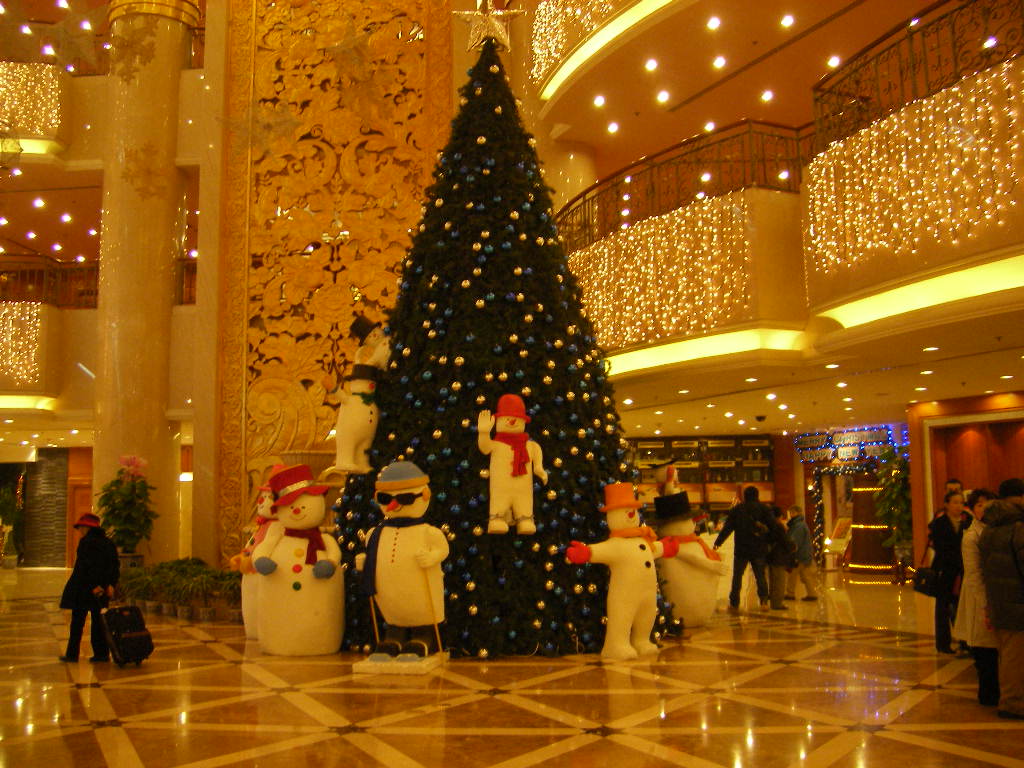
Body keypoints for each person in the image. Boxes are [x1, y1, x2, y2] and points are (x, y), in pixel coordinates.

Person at [979, 478, 1024, 720]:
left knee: (1007, 655)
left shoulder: (990, 527)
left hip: (998, 599)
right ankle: (1012, 703)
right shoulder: (1017, 527)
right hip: (1017, 602)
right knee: (1016, 657)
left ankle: (1010, 698)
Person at [953, 488, 999, 706]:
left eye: (988, 503)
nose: (985, 508)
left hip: (994, 595)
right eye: (980, 504)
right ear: (972, 509)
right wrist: (985, 604)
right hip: (978, 597)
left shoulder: (995, 530)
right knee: (983, 647)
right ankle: (988, 694)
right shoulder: (971, 536)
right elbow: (973, 574)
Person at [59, 512, 120, 663]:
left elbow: (84, 567)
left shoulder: (86, 543)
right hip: (103, 589)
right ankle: (101, 654)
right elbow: (114, 566)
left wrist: (93, 585)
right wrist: (110, 584)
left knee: (77, 623)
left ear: (87, 528)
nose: (79, 531)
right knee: (100, 623)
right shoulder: (108, 543)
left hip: (84, 588)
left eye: (81, 527)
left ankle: (72, 654)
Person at [714, 486, 772, 611]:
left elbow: (728, 528)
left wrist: (718, 542)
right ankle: (764, 601)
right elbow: (772, 526)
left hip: (742, 549)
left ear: (745, 496)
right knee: (760, 576)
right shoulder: (764, 509)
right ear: (757, 495)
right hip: (759, 548)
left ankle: (734, 603)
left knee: (737, 576)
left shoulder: (737, 510)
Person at [929, 489, 965, 654]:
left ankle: (965, 642)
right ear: (947, 504)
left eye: (961, 503)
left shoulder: (967, 522)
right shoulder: (939, 523)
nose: (959, 506)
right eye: (955, 502)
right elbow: (940, 547)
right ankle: (943, 643)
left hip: (962, 570)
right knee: (943, 607)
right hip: (944, 569)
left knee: (961, 606)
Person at [785, 505, 818, 601]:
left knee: (793, 574)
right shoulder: (800, 524)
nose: (790, 514)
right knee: (805, 575)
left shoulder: (798, 526)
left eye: (792, 512)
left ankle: (790, 593)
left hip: (800, 555)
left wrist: (791, 551)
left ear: (796, 512)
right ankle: (812, 594)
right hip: (805, 554)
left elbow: (795, 541)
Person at [766, 505, 795, 610]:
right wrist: (792, 547)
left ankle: (774, 602)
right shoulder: (778, 526)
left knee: (773, 581)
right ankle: (777, 604)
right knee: (779, 582)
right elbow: (785, 541)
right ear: (779, 516)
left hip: (770, 557)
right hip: (779, 557)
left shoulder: (768, 526)